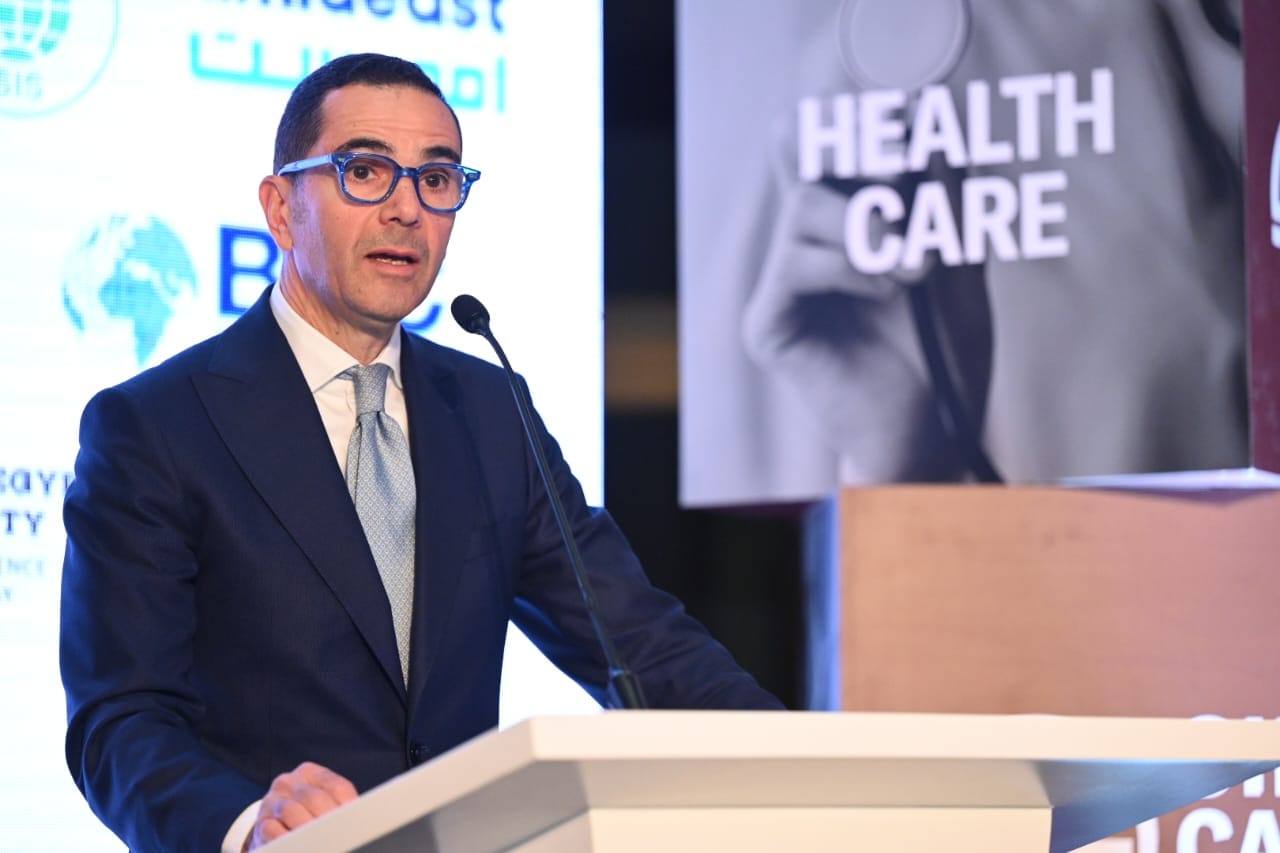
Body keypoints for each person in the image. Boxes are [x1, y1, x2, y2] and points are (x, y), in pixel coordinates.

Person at [60, 53, 782, 853]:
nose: (407, 208)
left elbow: (637, 641)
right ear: (280, 208)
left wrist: (807, 767)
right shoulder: (155, 426)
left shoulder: (490, 410)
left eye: (436, 179)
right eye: (365, 171)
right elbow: (120, 721)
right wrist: (248, 825)